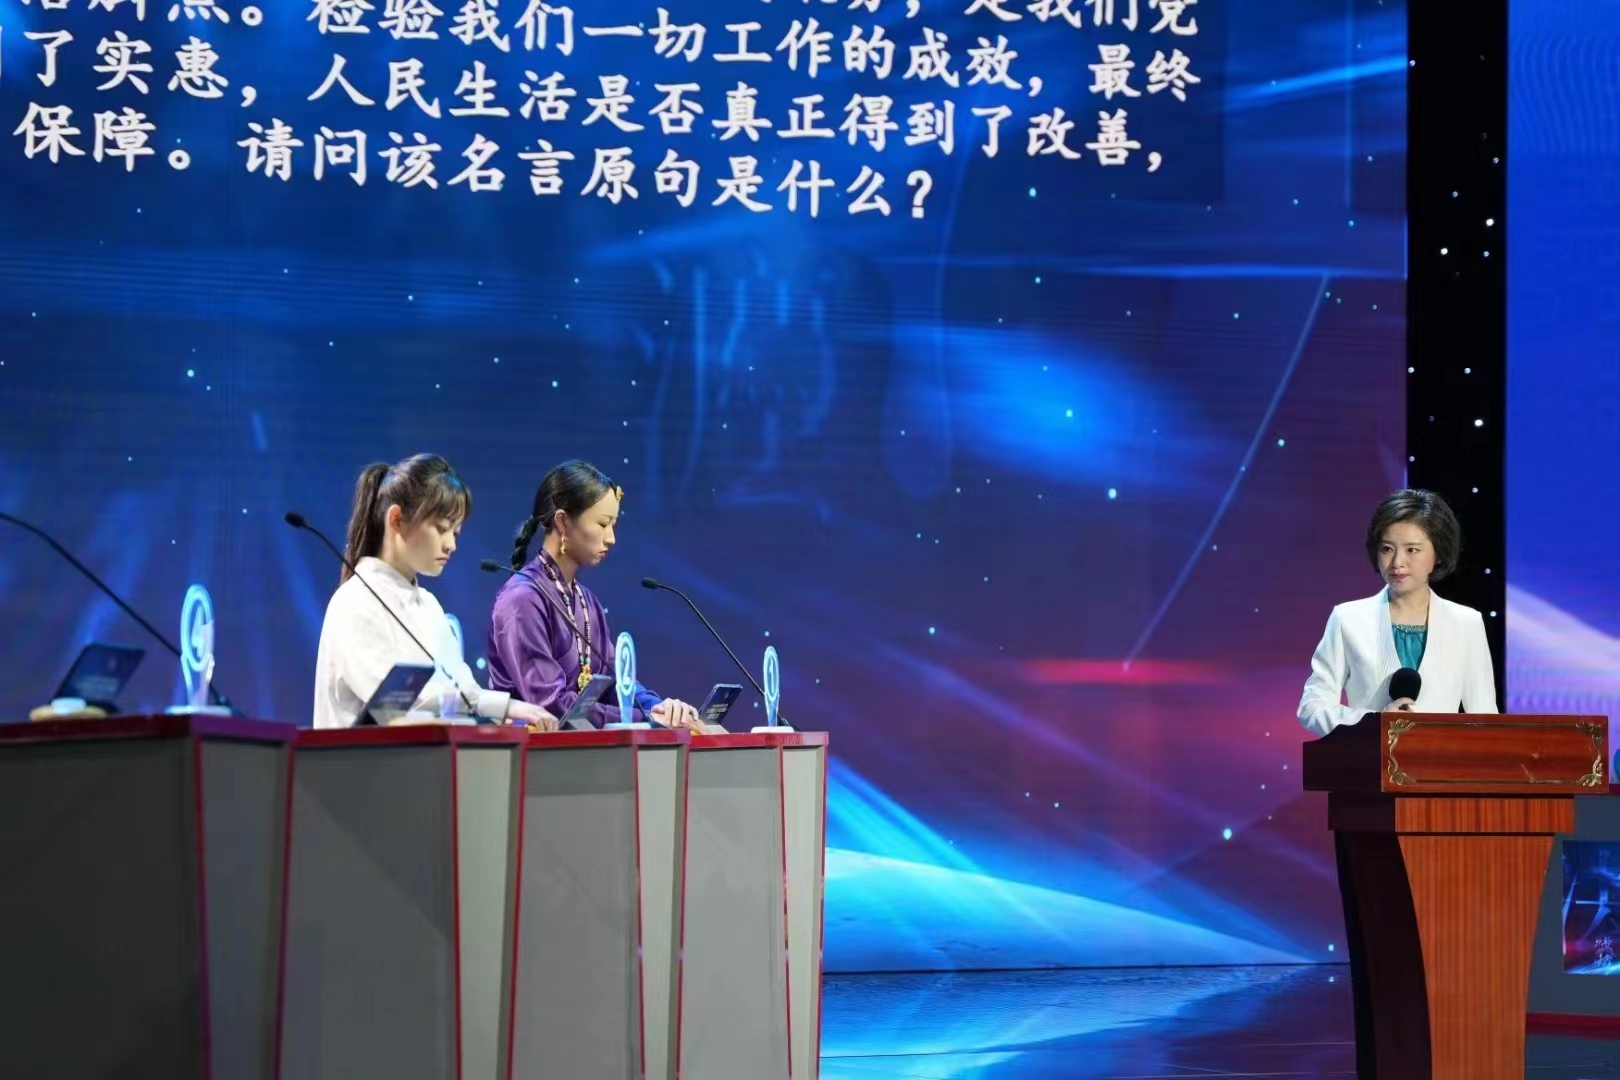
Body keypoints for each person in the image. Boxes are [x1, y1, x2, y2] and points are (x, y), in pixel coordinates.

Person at [313, 454, 558, 731]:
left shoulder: (429, 606)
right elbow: (396, 706)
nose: (451, 544)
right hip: (366, 757)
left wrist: (511, 707)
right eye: (442, 529)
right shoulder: (355, 602)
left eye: (455, 532)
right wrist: (490, 713)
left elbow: (463, 693)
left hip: (428, 754)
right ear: (396, 519)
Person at [488, 460, 701, 729]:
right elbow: (551, 704)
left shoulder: (586, 601)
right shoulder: (522, 599)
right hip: (530, 750)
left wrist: (656, 707)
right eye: (602, 524)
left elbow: (614, 684)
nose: (611, 538)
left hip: (582, 748)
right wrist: (646, 718)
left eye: (613, 525)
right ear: (563, 522)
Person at [1297, 488, 1498, 737]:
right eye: (1387, 549)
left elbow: (1485, 718)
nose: (1397, 563)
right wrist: (1375, 722)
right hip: (1370, 759)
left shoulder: (1466, 623)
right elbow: (1312, 708)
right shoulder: (1348, 619)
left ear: (1438, 553)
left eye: (1412, 550)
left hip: (1441, 760)